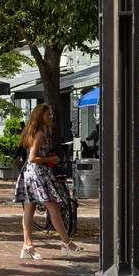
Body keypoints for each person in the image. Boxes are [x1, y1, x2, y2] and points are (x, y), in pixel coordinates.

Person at [15, 103, 81, 261]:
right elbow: (33, 158)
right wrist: (51, 158)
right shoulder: (39, 134)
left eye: (51, 114)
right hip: (38, 174)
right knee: (52, 206)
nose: (51, 117)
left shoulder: (33, 132)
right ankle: (66, 242)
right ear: (40, 117)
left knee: (30, 210)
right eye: (48, 115)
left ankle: (28, 245)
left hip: (31, 174)